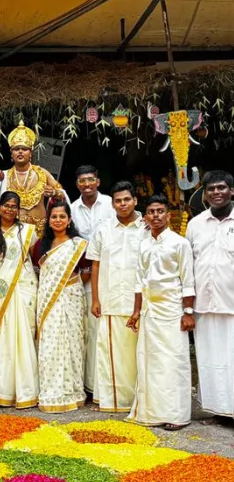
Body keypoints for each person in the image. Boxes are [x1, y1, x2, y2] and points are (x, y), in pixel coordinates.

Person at [127, 195, 195, 430]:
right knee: (150, 361)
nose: (155, 215)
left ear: (168, 215)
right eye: (151, 212)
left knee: (174, 361)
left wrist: (188, 312)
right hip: (149, 311)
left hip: (172, 310)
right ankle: (152, 413)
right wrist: (136, 312)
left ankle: (177, 415)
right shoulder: (144, 244)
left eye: (160, 211)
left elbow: (188, 280)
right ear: (145, 217)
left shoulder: (179, 243)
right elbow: (139, 281)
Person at [0, 191, 39, 409]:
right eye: (6, 205)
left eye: (14, 206)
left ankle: (28, 390)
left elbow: (32, 260)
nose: (10, 210)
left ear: (18, 209)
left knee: (25, 337)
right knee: (5, 339)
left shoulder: (27, 231)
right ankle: (4, 391)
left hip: (24, 289)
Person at [87, 181, 144, 412]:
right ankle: (113, 401)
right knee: (110, 353)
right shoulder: (103, 229)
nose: (122, 204)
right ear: (112, 204)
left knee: (137, 354)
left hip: (139, 303)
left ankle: (141, 400)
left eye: (127, 199)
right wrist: (96, 299)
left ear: (135, 201)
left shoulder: (146, 228)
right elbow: (95, 265)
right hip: (110, 300)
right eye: (118, 201)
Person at [186, 170, 234, 419]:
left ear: (232, 191)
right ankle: (217, 410)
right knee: (209, 360)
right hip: (203, 305)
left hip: (231, 303)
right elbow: (187, 266)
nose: (216, 192)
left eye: (221, 188)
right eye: (211, 189)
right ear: (204, 194)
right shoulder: (195, 225)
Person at [35, 201, 87, 413]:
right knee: (50, 342)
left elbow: (87, 270)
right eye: (54, 217)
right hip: (48, 299)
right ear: (48, 221)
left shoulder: (78, 245)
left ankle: (73, 391)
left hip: (72, 298)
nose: (58, 220)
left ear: (69, 219)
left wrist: (71, 285)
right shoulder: (41, 246)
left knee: (73, 340)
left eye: (62, 216)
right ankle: (52, 390)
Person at [70, 165, 115, 394]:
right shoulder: (72, 208)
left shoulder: (111, 204)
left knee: (106, 326)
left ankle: (107, 383)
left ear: (97, 181)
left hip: (111, 271)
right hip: (84, 274)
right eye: (82, 181)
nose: (86, 184)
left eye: (90, 179)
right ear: (77, 184)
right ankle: (90, 384)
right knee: (88, 327)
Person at [1, 121, 66, 238]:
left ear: (30, 152)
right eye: (16, 149)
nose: (20, 152)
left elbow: (62, 193)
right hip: (12, 232)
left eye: (24, 149)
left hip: (39, 233)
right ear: (11, 153)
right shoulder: (4, 176)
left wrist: (54, 192)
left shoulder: (42, 173)